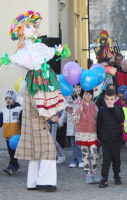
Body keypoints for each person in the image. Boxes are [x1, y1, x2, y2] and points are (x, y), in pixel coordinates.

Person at [1, 11, 70, 192]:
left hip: (37, 111)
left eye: (34, 26)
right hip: (37, 111)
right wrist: (51, 114)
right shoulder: (30, 59)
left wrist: (58, 51)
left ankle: (33, 182)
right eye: (29, 26)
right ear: (22, 30)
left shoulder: (36, 51)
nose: (34, 29)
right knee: (47, 149)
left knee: (36, 149)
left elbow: (47, 54)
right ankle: (44, 182)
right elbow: (25, 61)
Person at [97, 89, 125, 188]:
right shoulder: (101, 110)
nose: (109, 101)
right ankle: (104, 178)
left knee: (116, 159)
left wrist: (113, 108)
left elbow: (121, 119)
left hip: (116, 139)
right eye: (107, 99)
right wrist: (99, 137)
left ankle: (117, 176)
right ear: (104, 99)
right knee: (106, 159)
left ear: (115, 99)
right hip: (105, 139)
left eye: (111, 99)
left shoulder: (119, 109)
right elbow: (98, 125)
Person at [72, 90, 99, 184]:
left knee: (94, 152)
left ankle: (95, 173)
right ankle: (88, 175)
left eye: (90, 94)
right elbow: (74, 120)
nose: (88, 96)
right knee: (85, 154)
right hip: (82, 133)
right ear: (82, 94)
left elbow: (97, 117)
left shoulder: (94, 105)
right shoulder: (77, 103)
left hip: (93, 133)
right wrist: (79, 111)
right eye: (86, 94)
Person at [0, 90, 22, 175]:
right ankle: (15, 165)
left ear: (14, 99)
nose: (8, 100)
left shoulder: (19, 109)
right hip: (8, 136)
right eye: (6, 98)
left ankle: (11, 166)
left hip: (16, 136)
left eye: (10, 98)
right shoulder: (3, 110)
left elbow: (22, 122)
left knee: (14, 152)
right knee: (11, 152)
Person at [59, 103, 83, 168]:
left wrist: (73, 109)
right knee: (73, 146)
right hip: (71, 128)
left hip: (79, 126)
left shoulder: (79, 100)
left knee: (78, 145)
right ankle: (74, 161)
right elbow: (64, 114)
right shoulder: (67, 103)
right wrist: (60, 122)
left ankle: (80, 160)